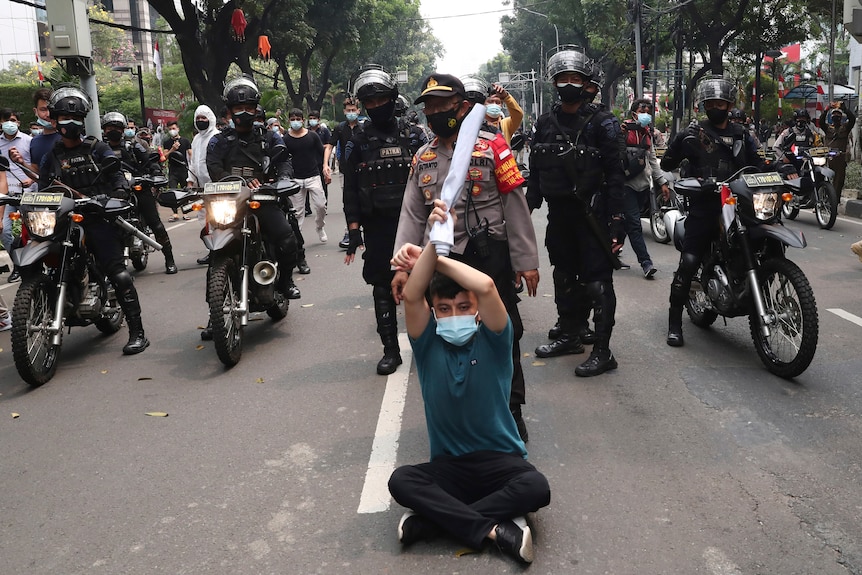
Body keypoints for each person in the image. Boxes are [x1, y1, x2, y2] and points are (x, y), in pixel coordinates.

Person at [387, 201, 550, 564]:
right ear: (434, 311)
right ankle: (495, 529)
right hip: (450, 467)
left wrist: (434, 259)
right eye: (444, 309)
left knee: (535, 487)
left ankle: (434, 520)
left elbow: (488, 285)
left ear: (476, 310)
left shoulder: (493, 340)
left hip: (500, 461)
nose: (454, 315)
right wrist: (429, 244)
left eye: (463, 307)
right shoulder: (427, 345)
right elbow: (412, 295)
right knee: (401, 481)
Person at [392, 73, 539, 441]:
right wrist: (401, 267)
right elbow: (411, 213)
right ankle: (460, 413)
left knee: (504, 332)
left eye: (443, 107)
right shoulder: (422, 157)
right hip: (439, 259)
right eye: (429, 109)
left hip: (488, 255)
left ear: (462, 107)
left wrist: (526, 259)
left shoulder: (493, 147)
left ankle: (511, 408)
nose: (436, 114)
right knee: (446, 336)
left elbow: (514, 203)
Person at [525, 47, 625, 377]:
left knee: (597, 283)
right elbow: (537, 172)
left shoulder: (604, 123)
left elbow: (615, 176)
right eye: (563, 78)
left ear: (585, 83)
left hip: (592, 215)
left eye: (575, 78)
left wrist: (616, 223)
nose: (569, 83)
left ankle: (602, 350)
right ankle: (569, 334)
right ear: (554, 83)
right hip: (559, 215)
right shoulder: (544, 123)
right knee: (564, 275)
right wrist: (524, 210)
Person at [38, 86, 149, 354]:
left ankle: (138, 332)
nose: (70, 123)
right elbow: (42, 188)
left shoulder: (97, 148)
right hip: (64, 220)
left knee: (119, 274)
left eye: (75, 118)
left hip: (96, 217)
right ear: (55, 119)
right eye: (64, 117)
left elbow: (117, 174)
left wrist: (119, 192)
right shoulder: (51, 156)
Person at [661, 76, 764, 347]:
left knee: (764, 239)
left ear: (730, 105)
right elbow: (666, 162)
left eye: (721, 102)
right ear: (703, 105)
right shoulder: (693, 133)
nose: (716, 106)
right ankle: (674, 322)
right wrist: (680, 144)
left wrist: (784, 169)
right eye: (711, 102)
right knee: (690, 261)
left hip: (741, 202)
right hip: (706, 205)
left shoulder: (743, 133)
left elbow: (759, 163)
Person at [202, 76, 301, 341]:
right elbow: (213, 167)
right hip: (231, 202)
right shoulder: (218, 141)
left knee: (285, 237)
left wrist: (280, 180)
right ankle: (215, 314)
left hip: (263, 199)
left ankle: (285, 281)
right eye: (238, 108)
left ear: (256, 108)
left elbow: (285, 162)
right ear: (230, 110)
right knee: (215, 254)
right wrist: (231, 180)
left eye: (248, 107)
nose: (243, 113)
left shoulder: (270, 137)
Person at [341, 65, 414, 375]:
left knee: (427, 282)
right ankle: (390, 350)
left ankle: (432, 343)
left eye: (380, 100)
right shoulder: (357, 142)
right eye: (369, 103)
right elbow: (350, 189)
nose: (375, 107)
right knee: (382, 287)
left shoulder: (413, 134)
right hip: (378, 226)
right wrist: (353, 229)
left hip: (415, 223)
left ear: (392, 98)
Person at [102, 111, 178, 274]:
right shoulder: (101, 149)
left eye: (117, 127)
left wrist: (155, 173)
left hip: (138, 187)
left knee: (155, 223)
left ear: (123, 130)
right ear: (104, 129)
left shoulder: (133, 146)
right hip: (114, 192)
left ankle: (169, 259)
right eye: (109, 128)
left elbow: (150, 161)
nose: (113, 130)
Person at [618, 98, 669, 279]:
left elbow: (653, 160)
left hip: (644, 185)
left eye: (648, 110)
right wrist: (619, 134)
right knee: (634, 224)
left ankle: (612, 249)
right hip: (627, 184)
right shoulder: (622, 131)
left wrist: (662, 182)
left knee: (627, 220)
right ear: (634, 113)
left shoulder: (648, 133)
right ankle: (646, 263)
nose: (646, 113)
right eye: (642, 109)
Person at [284, 108, 327, 254]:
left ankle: (319, 226)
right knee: (297, 213)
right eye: (292, 119)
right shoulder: (286, 139)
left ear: (303, 120)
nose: (295, 122)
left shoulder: (312, 136)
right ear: (289, 121)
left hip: (313, 176)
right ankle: (297, 239)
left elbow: (322, 153)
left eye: (298, 119)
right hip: (295, 179)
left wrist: (326, 169)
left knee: (321, 205)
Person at [0, 108, 34, 284]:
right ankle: (18, 266)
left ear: (18, 122)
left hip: (28, 194)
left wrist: (30, 179)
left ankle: (33, 265)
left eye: (13, 120)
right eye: (5, 120)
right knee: (4, 230)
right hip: (6, 197)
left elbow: (35, 167)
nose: (9, 124)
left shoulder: (29, 141)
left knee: (32, 231)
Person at [326, 97, 364, 249]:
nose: (351, 113)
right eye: (348, 111)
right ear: (344, 112)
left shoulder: (364, 128)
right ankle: (349, 231)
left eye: (353, 110)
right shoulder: (340, 128)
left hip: (363, 170)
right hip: (345, 172)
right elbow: (329, 146)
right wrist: (325, 165)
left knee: (364, 200)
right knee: (349, 201)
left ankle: (362, 229)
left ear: (358, 111)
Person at [820, 101, 856, 194]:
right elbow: (821, 121)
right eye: (834, 114)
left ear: (841, 118)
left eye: (838, 114)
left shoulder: (845, 128)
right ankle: (824, 197)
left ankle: (835, 200)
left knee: (839, 181)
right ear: (831, 117)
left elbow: (852, 120)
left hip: (840, 158)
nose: (836, 116)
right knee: (825, 179)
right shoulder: (827, 128)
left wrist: (845, 109)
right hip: (828, 159)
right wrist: (826, 110)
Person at [162, 120, 192, 221]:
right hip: (173, 170)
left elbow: (191, 154)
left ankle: (185, 212)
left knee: (185, 192)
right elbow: (164, 157)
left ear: (178, 129)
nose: (172, 131)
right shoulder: (167, 142)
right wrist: (172, 149)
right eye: (170, 129)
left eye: (173, 128)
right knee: (172, 191)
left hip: (184, 169)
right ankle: (175, 213)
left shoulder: (185, 141)